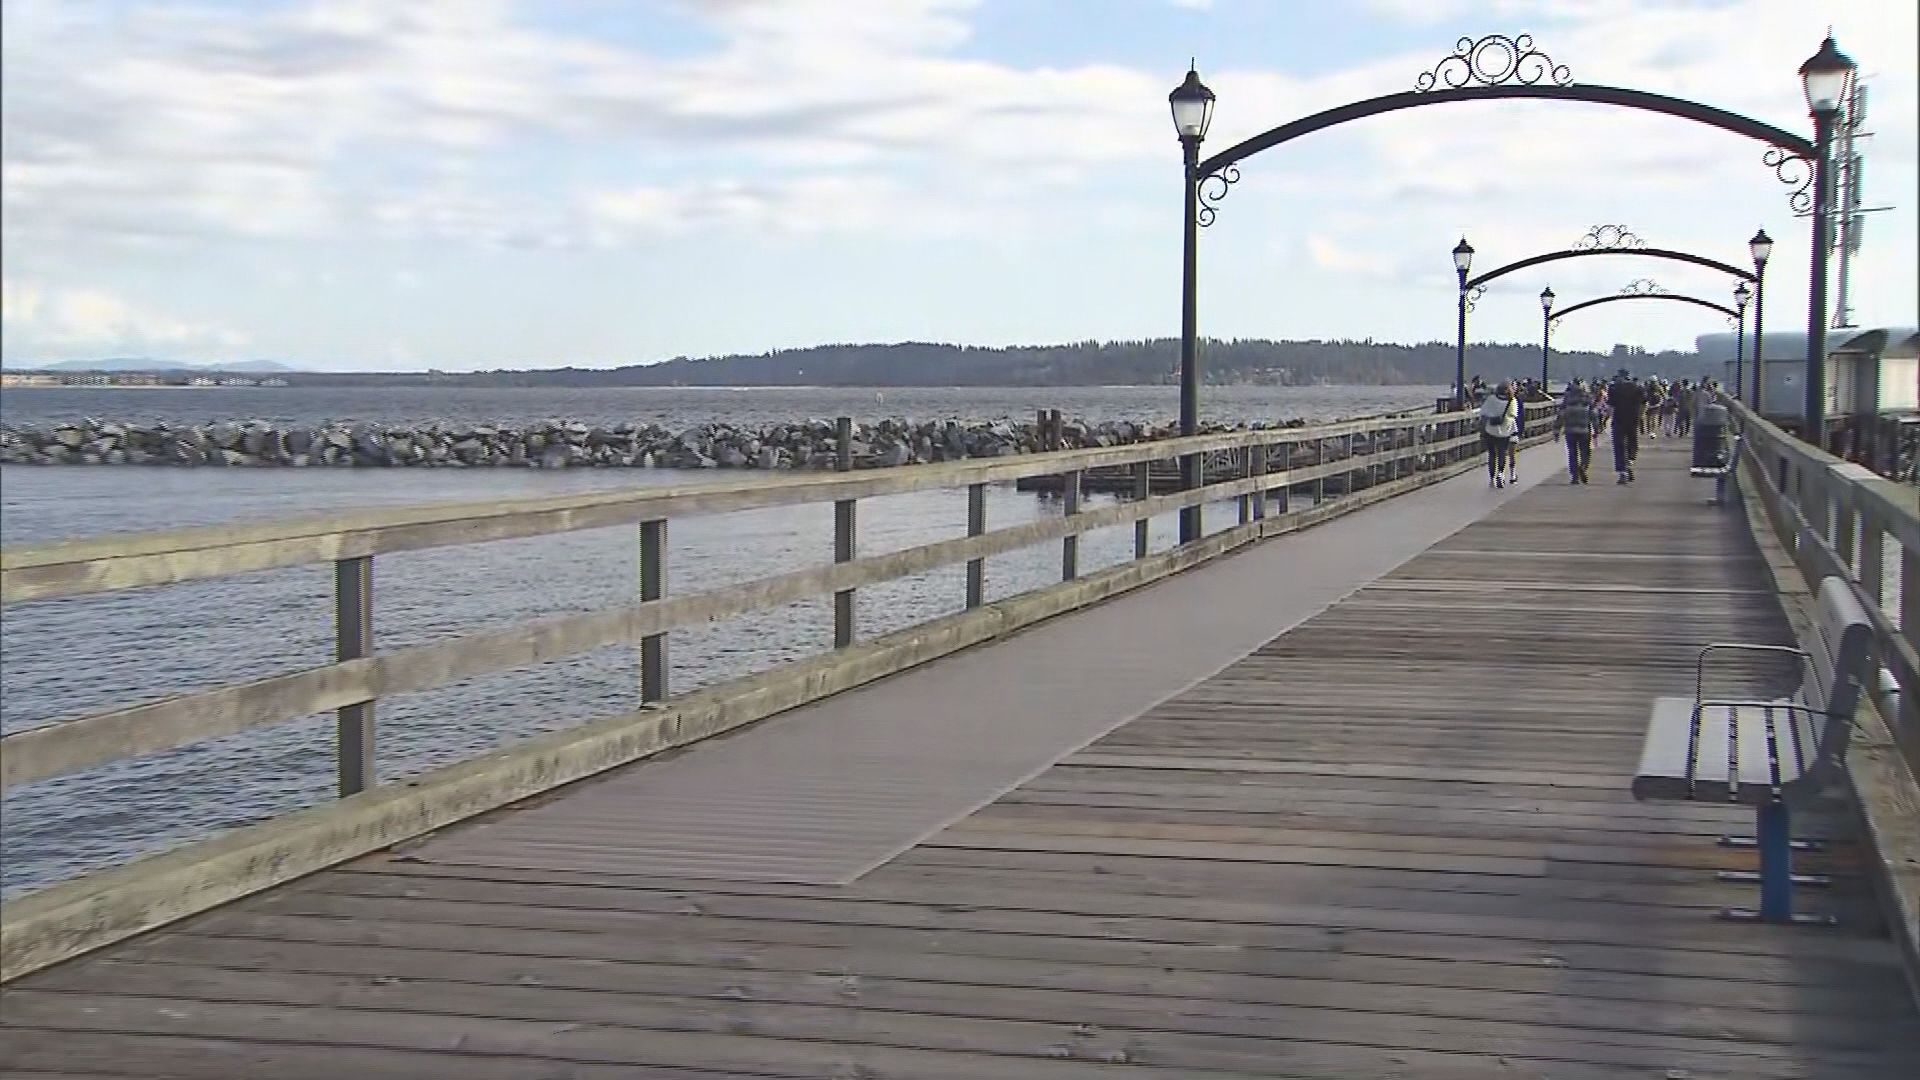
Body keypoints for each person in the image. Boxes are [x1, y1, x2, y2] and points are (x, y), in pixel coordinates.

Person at [1553, 380, 1596, 484]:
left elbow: (1561, 415)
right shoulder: (1587, 398)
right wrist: (1596, 427)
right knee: (1585, 452)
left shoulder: (1567, 399)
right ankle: (1583, 467)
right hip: (1584, 429)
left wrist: (1557, 430)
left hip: (1570, 429)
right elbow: (1593, 414)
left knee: (1572, 453)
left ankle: (1575, 476)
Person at [1479, 380, 1520, 488]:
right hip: (1505, 432)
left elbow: (1482, 414)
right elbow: (1513, 416)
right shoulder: (1512, 401)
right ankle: (1500, 474)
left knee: (1492, 455)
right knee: (1502, 454)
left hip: (1490, 430)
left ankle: (1492, 478)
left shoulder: (1490, 399)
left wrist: (1482, 429)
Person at [1608, 369, 1647, 483]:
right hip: (1633, 420)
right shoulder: (1638, 388)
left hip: (1618, 419)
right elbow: (1644, 403)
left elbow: (1611, 406)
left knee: (1619, 446)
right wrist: (1641, 416)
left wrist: (1608, 420)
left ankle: (1622, 472)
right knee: (1632, 444)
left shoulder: (1614, 388)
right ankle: (1630, 462)